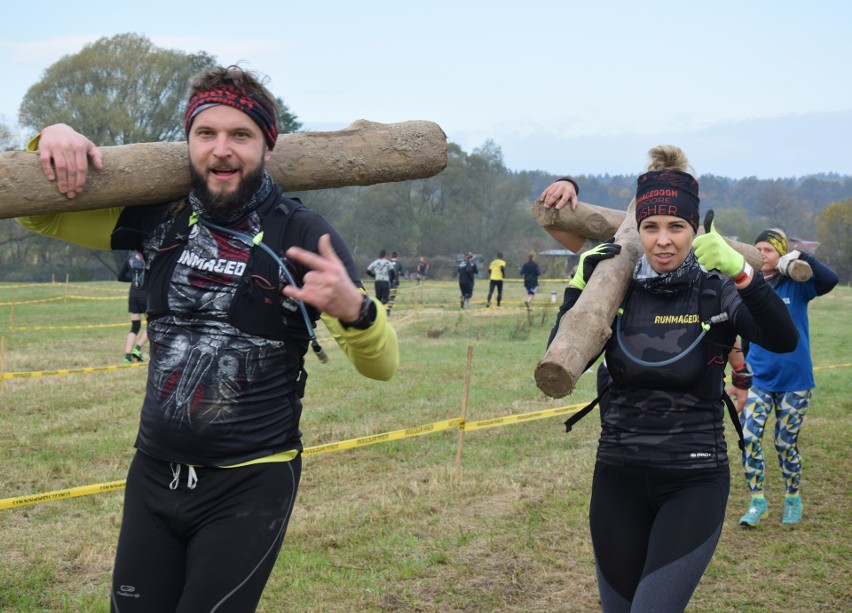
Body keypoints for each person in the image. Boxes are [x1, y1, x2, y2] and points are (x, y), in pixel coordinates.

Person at [18, 65, 399, 611]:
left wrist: (358, 312)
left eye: (240, 135)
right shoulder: (158, 216)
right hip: (152, 474)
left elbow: (382, 367)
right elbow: (44, 219)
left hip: (249, 485)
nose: (222, 150)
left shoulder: (302, 234)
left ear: (267, 146)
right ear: (189, 141)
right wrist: (50, 138)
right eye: (207, 134)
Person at [540, 145, 797, 612]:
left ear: (694, 229)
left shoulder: (715, 290)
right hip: (617, 477)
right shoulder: (615, 288)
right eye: (651, 227)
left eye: (676, 227)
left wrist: (741, 271)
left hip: (693, 481)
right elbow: (560, 359)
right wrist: (578, 286)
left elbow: (782, 338)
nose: (663, 240)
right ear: (638, 231)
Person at [728, 228, 838, 527]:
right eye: (757, 249)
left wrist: (801, 256)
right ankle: (757, 502)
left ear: (780, 255)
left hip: (795, 380)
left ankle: (792, 497)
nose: (761, 255)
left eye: (768, 250)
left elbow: (830, 280)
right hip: (760, 378)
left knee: (784, 443)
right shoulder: (749, 286)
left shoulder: (797, 285)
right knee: (749, 438)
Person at [117, 250, 148, 364]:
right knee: (152, 324)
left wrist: (134, 279)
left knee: (135, 326)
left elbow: (120, 277)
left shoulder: (130, 259)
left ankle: (127, 356)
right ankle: (138, 348)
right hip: (146, 296)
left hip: (133, 295)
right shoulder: (149, 258)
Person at [386, 250, 405, 316]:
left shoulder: (388, 263)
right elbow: (402, 273)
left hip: (387, 283)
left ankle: (384, 308)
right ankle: (388, 310)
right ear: (397, 256)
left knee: (386, 296)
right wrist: (398, 272)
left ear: (391, 256)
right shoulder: (399, 264)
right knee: (392, 297)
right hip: (395, 283)